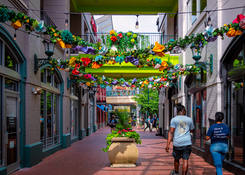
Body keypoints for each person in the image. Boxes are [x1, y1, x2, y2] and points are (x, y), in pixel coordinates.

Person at [165, 104, 194, 175]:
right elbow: (192, 130)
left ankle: (176, 172)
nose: (186, 111)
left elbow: (171, 132)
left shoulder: (174, 120)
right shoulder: (189, 119)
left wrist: (168, 144)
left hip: (177, 143)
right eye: (185, 110)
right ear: (182, 110)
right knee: (185, 160)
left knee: (176, 159)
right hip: (187, 143)